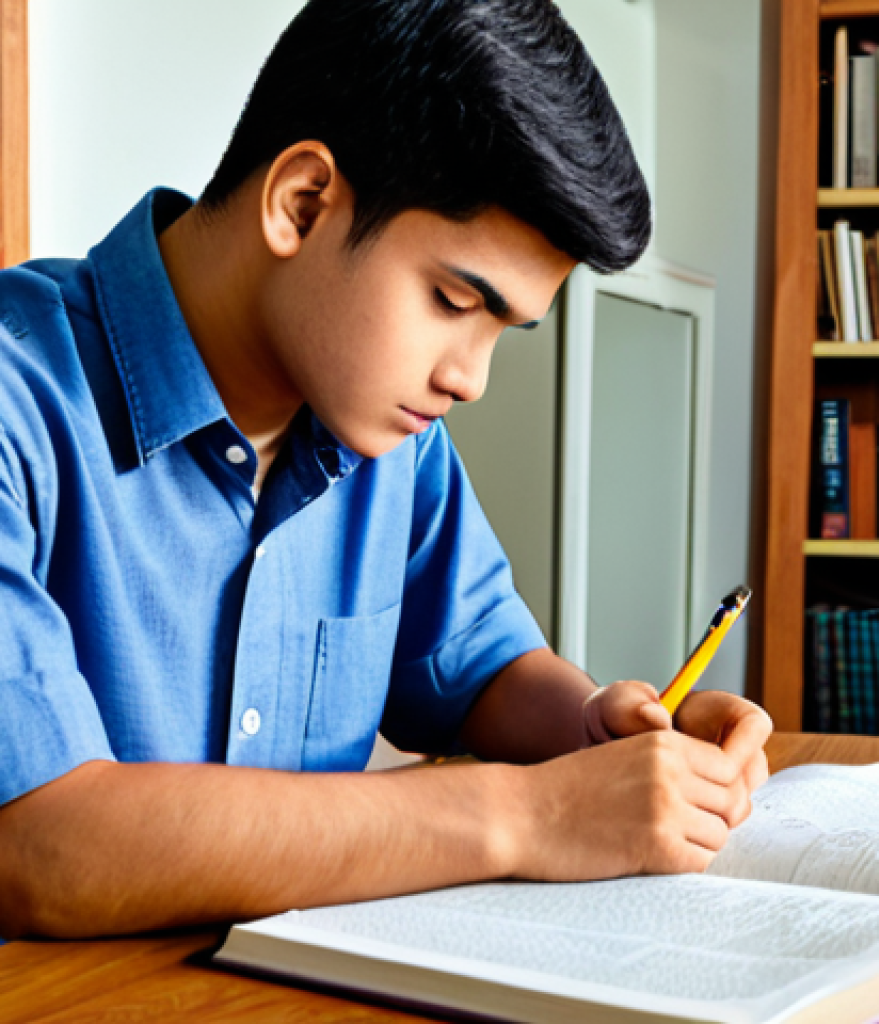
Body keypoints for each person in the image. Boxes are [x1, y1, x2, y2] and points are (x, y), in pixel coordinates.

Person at [0, 0, 771, 941]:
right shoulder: (20, 402)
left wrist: (600, 736)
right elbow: (38, 845)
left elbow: (482, 668)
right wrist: (538, 816)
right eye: (454, 300)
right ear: (303, 203)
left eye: (504, 330)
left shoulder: (389, 437)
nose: (470, 378)